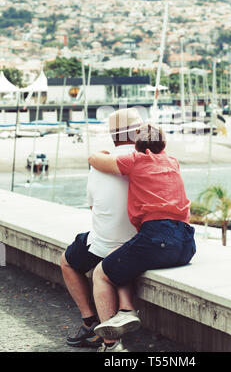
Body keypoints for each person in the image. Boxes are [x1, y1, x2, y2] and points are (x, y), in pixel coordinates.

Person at [89, 123, 196, 353]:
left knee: (101, 273)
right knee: (116, 257)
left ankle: (111, 345)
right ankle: (126, 310)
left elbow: (95, 160)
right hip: (186, 243)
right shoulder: (172, 162)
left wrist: (101, 153)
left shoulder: (135, 160)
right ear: (164, 144)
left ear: (137, 146)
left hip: (157, 239)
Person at [60, 108, 143, 350]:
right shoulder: (147, 158)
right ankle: (106, 330)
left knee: (67, 261)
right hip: (141, 242)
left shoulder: (99, 162)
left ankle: (89, 322)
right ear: (137, 132)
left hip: (106, 244)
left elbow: (92, 206)